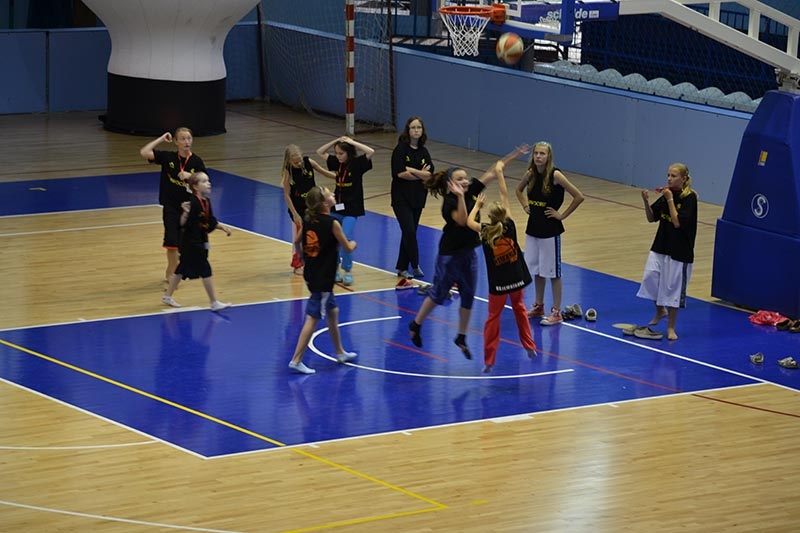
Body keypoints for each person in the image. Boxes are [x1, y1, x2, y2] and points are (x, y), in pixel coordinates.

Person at [408, 145, 530, 359]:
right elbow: (464, 221)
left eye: (465, 178)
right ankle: (416, 324)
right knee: (438, 294)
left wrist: (513, 155)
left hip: (469, 253)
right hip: (450, 256)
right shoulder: (449, 203)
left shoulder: (471, 189)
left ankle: (461, 337)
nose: (465, 181)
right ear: (450, 184)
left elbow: (493, 171)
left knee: (468, 295)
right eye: (460, 179)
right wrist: (461, 198)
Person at [467, 161, 537, 373]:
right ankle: (529, 345)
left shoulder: (485, 231)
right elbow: (505, 195)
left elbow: (469, 221)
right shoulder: (510, 225)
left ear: (490, 217)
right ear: (503, 215)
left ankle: (489, 360)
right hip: (517, 278)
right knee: (520, 309)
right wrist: (499, 173)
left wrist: (477, 206)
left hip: (498, 284)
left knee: (493, 318)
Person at [289, 186, 359, 374]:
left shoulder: (308, 220)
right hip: (323, 277)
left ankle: (340, 352)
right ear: (324, 202)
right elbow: (347, 247)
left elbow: (296, 241)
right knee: (313, 318)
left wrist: (303, 257)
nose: (333, 194)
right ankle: (296, 360)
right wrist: (353, 243)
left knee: (332, 311)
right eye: (329, 194)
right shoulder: (332, 223)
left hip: (312, 272)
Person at [515, 141, 584, 326]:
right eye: (536, 153)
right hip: (533, 228)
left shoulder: (556, 175)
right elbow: (518, 190)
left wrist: (561, 215)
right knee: (538, 270)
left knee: (553, 272)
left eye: (542, 153)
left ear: (548, 156)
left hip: (550, 231)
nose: (538, 156)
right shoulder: (530, 174)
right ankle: (539, 306)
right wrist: (525, 205)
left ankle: (557, 311)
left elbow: (579, 196)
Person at [636, 163, 698, 341]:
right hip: (660, 246)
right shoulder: (666, 194)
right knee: (650, 279)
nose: (669, 179)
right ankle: (659, 310)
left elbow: (677, 223)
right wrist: (646, 202)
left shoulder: (689, 198)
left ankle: (671, 327)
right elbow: (651, 218)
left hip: (679, 251)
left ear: (684, 179)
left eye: (673, 176)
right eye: (668, 175)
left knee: (673, 290)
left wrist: (670, 199)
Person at [140, 127, 206, 282]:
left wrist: (191, 176)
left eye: (189, 138)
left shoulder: (196, 161)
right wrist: (161, 139)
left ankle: (184, 267)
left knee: (185, 242)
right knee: (171, 239)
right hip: (171, 206)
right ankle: (171, 272)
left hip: (188, 208)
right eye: (182, 139)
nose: (186, 142)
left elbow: (206, 183)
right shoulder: (168, 157)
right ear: (176, 142)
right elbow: (144, 152)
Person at [161, 172, 232, 311]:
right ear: (195, 186)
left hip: (200, 240)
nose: (208, 183)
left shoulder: (206, 201)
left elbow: (209, 220)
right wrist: (185, 213)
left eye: (208, 181)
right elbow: (182, 223)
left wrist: (222, 227)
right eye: (204, 181)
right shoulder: (193, 202)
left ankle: (167, 296)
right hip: (191, 243)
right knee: (206, 270)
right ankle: (214, 302)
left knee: (181, 269)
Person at [316, 135, 375, 286]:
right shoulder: (336, 163)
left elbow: (371, 151)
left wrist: (352, 142)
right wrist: (335, 141)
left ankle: (347, 271)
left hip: (352, 210)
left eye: (341, 153)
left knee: (345, 238)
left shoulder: (357, 164)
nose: (338, 156)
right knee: (333, 239)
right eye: (336, 153)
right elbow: (320, 152)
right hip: (336, 208)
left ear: (348, 152)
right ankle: (335, 269)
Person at [391, 116, 434, 281]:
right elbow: (400, 173)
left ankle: (402, 267)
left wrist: (413, 170)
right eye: (413, 127)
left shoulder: (424, 152)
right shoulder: (400, 150)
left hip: (418, 198)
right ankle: (415, 264)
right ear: (408, 130)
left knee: (409, 232)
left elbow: (429, 175)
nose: (416, 130)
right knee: (409, 230)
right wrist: (420, 173)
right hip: (401, 198)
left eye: (419, 128)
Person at [281, 144, 335, 275]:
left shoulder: (309, 162)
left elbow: (324, 171)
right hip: (298, 209)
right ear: (289, 161)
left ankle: (315, 260)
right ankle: (297, 264)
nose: (299, 163)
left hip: (313, 206)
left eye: (299, 160)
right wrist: (294, 213)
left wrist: (338, 177)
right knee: (299, 237)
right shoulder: (288, 172)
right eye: (295, 162)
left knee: (315, 234)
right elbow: (287, 195)